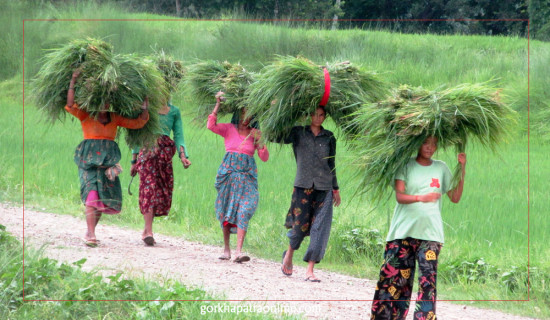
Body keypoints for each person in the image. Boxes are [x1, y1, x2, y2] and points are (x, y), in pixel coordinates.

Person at [370, 136, 466, 320]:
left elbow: (455, 197)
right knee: (395, 282)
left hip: (431, 235)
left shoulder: (441, 168)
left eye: (434, 144)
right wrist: (421, 198)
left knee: (428, 283)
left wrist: (462, 168)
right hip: (402, 232)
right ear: (417, 144)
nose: (430, 148)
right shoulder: (405, 165)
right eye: (426, 143)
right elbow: (400, 196)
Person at [65, 69, 149, 247]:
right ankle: (92, 235)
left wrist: (145, 106)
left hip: (107, 163)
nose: (104, 103)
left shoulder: (115, 118)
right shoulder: (87, 114)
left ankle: (90, 230)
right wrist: (73, 80)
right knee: (91, 194)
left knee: (101, 197)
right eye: (101, 100)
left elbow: (138, 123)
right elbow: (70, 105)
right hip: (88, 162)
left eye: (107, 100)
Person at [280, 106, 342, 282]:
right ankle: (289, 255)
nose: (318, 118)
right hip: (302, 186)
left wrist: (335, 188)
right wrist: (284, 112)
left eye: (321, 115)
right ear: (308, 115)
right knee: (299, 227)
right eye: (314, 114)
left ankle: (310, 270)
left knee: (319, 228)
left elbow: (332, 164)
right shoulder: (298, 132)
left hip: (324, 188)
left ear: (325, 117)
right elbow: (277, 136)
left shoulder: (329, 137)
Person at [207, 91, 269, 263]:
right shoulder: (228, 129)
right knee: (226, 211)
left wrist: (261, 141)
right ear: (238, 113)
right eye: (243, 112)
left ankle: (238, 251)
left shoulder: (255, 133)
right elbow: (211, 125)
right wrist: (218, 104)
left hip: (247, 179)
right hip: (228, 177)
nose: (245, 117)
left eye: (249, 113)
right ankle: (226, 248)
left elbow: (264, 157)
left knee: (244, 210)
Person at [130, 101, 191, 246]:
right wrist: (134, 160)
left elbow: (178, 135)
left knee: (159, 191)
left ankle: (146, 230)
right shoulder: (147, 108)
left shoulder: (174, 111)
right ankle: (149, 232)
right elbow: (139, 133)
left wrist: (183, 156)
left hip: (164, 155)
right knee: (149, 189)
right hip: (147, 152)